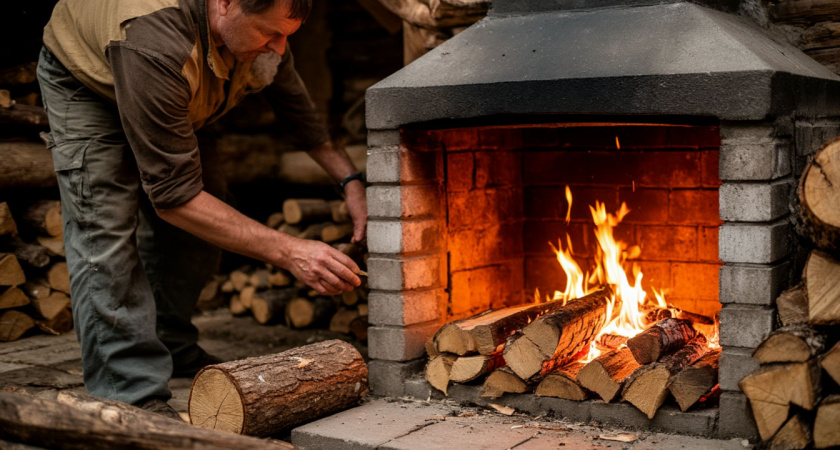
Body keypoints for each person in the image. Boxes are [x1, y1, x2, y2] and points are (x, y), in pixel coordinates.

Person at [36, 0, 366, 419]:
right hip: (90, 87)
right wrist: (291, 251)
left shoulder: (260, 34)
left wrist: (351, 183)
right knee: (105, 230)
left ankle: (169, 342)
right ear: (225, 4)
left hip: (179, 98)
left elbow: (300, 113)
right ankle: (130, 396)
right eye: (271, 35)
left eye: (288, 37)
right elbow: (174, 198)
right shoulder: (153, 40)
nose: (281, 50)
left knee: (211, 219)